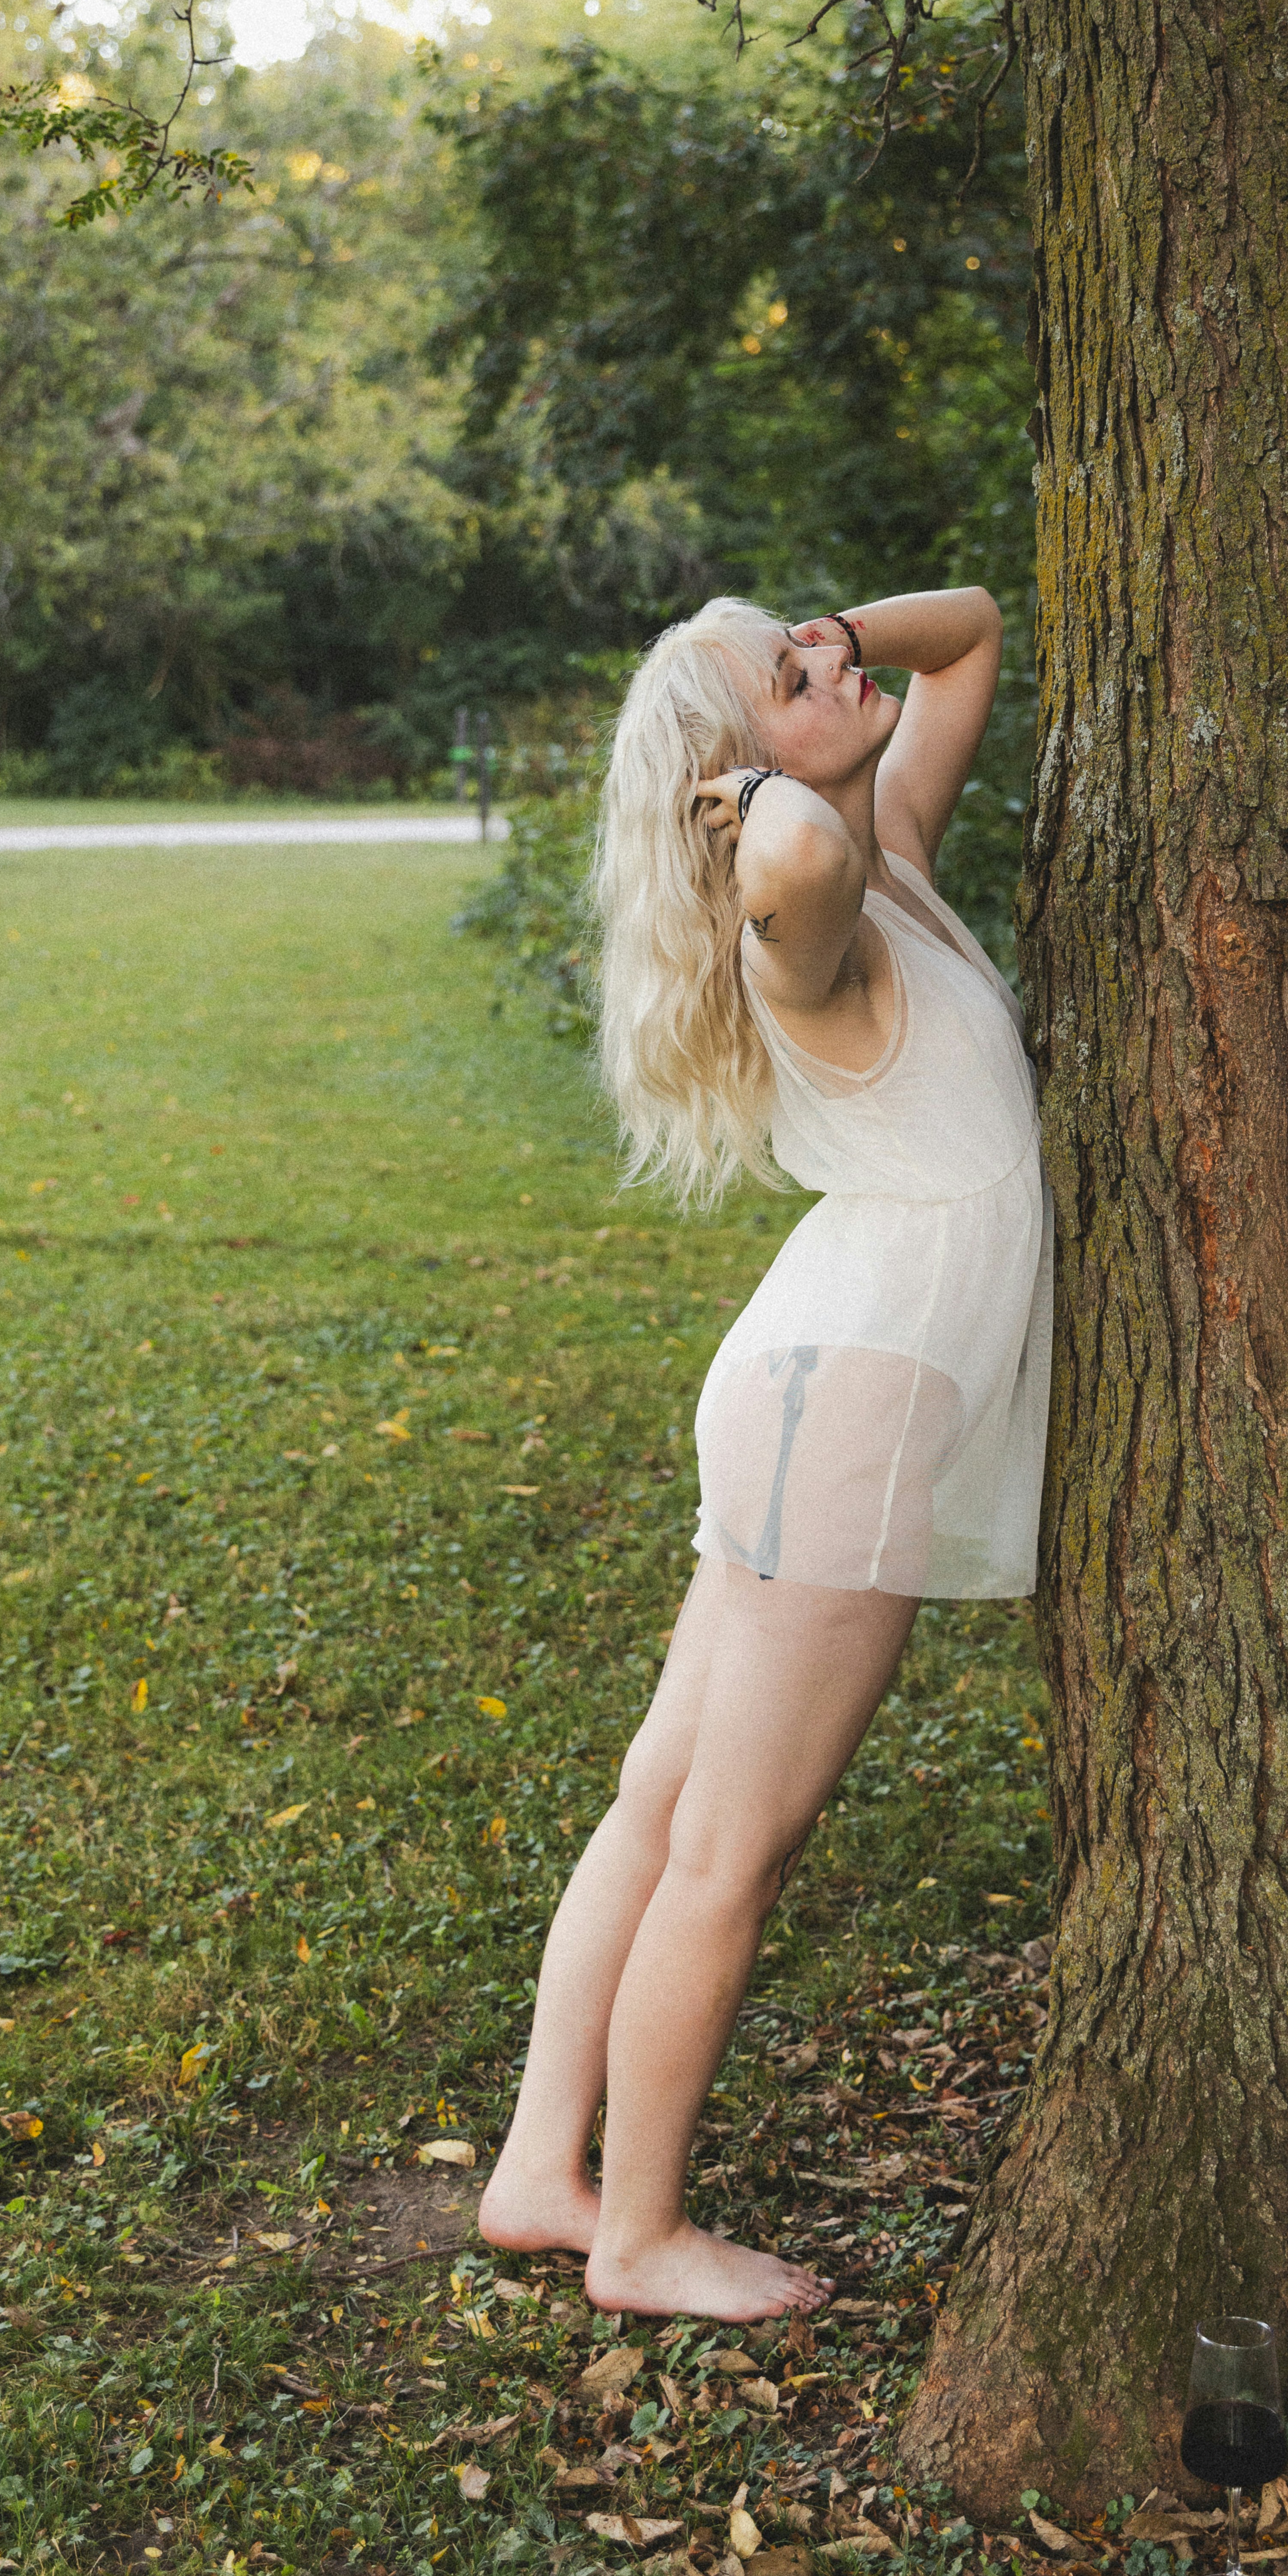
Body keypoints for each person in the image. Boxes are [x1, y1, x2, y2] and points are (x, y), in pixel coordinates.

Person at [476, 587, 1051, 2322]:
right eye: (788, 680)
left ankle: (533, 2172)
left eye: (815, 648)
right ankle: (637, 2234)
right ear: (734, 786)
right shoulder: (807, 919)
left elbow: (970, 638)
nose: (832, 668)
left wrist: (797, 641)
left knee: (664, 1801)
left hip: (817, 1370)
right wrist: (760, 767)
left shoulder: (899, 856)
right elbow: (790, 864)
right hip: (846, 1397)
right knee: (730, 1840)